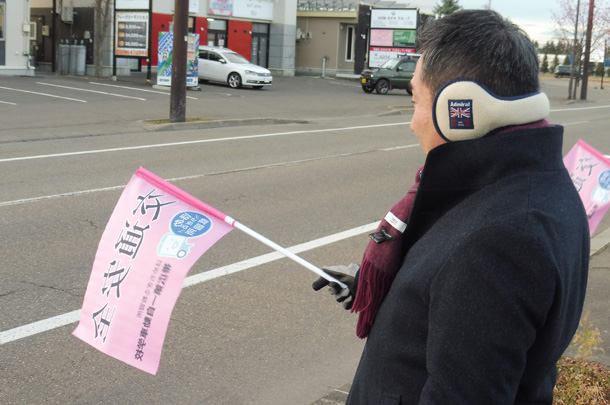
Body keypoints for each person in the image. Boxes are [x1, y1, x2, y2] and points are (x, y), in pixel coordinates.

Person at [313, 9, 590, 404]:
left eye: (416, 99)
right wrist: (384, 287)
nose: (412, 123)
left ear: (462, 108)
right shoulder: (527, 188)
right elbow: (462, 298)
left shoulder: (502, 241)